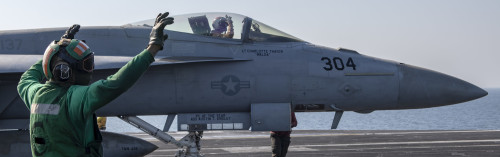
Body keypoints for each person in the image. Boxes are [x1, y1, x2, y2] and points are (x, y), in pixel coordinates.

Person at [17, 12, 174, 156]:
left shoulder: (35, 95)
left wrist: (56, 50)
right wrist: (153, 47)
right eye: (86, 65)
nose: (90, 71)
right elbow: (116, 83)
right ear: (66, 71)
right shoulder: (74, 99)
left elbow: (26, 78)